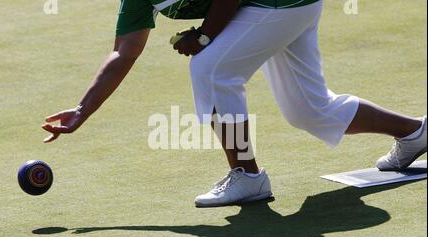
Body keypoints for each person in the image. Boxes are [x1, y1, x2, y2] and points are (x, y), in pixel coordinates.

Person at [43, 0, 427, 207]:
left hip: (280, 3)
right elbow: (124, 52)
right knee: (309, 110)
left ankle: (247, 177)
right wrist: (82, 109)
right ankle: (415, 132)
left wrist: (205, 37)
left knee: (210, 69)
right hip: (277, 7)